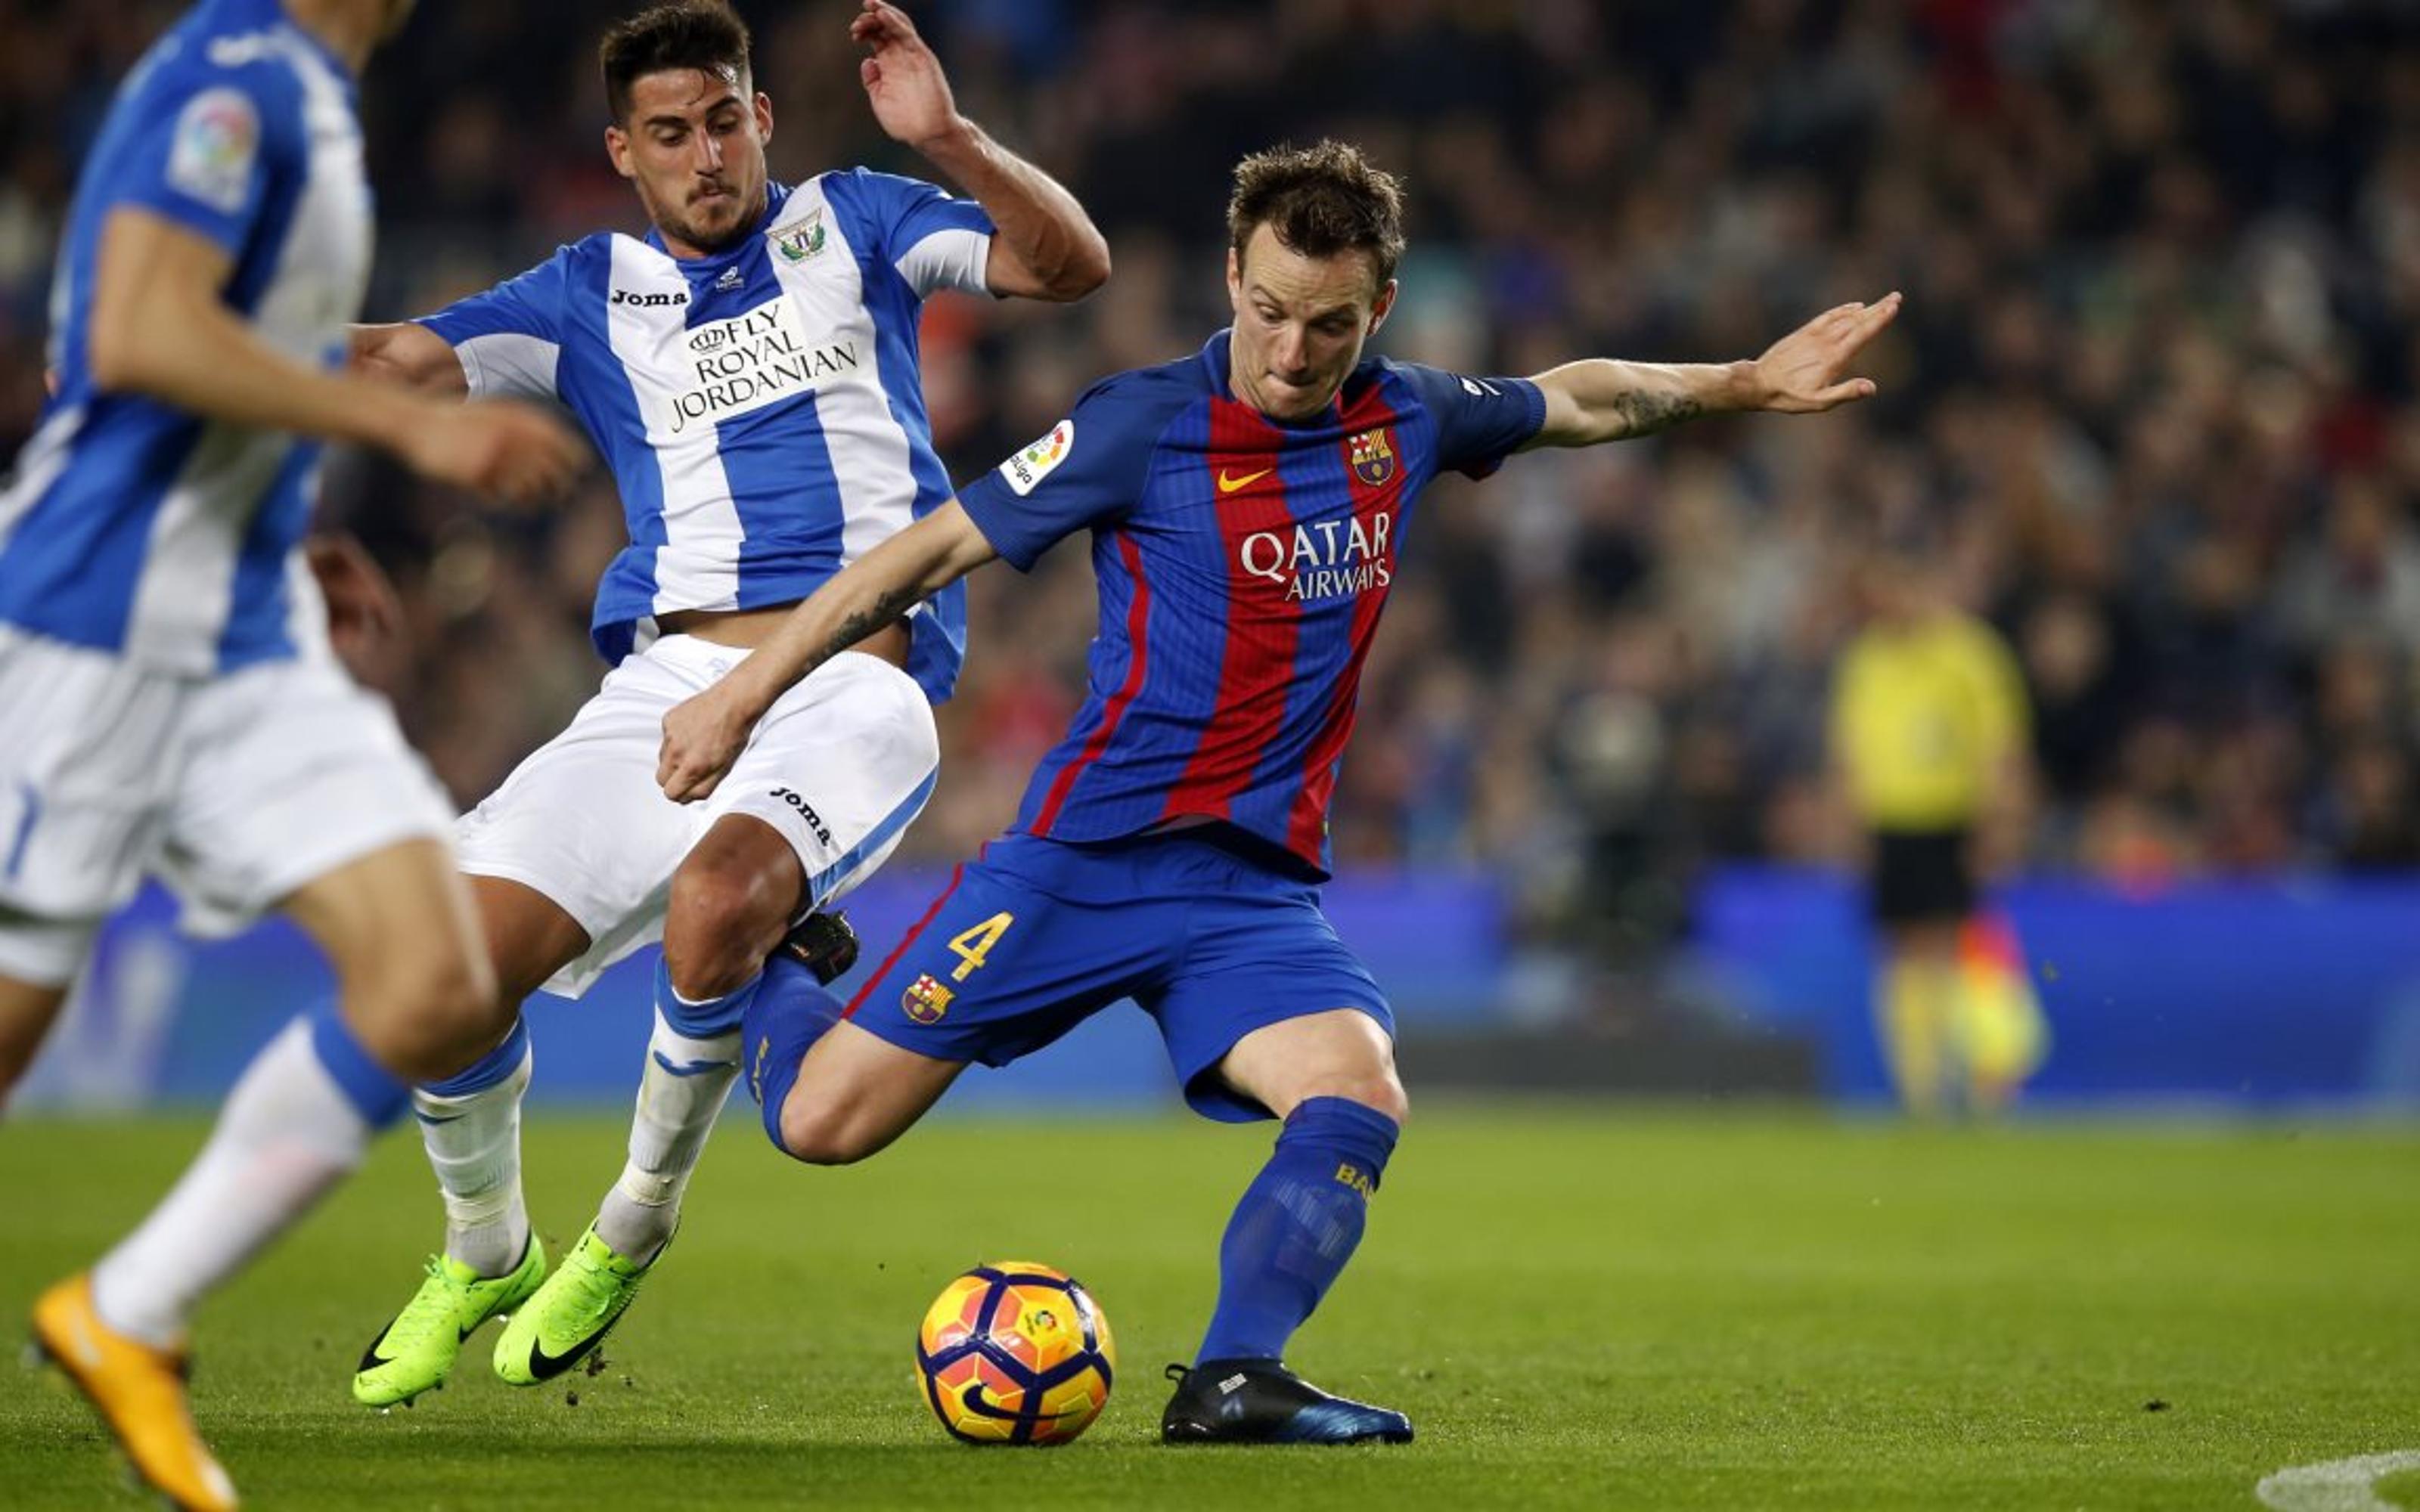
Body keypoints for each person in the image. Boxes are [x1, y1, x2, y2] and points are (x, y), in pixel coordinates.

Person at [652, 140, 1899, 1444]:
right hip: (1082, 863)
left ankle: (1234, 1377)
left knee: (1356, 1092)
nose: (1294, 354)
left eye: (1329, 325)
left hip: (1246, 892)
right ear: (1230, 275)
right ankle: (782, 954)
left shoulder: (1407, 414)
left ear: (1381, 312)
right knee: (819, 1126)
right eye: (1268, 313)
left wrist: (1744, 382)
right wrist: (746, 692)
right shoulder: (1142, 424)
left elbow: (1574, 400)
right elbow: (926, 552)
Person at [342, 0, 1107, 1406]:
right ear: (625, 154)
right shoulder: (589, 290)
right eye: (671, 134)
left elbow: (1068, 264)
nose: (707, 156)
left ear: (763, 118)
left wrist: (948, 137)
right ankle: (487, 1243)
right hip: (668, 680)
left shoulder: (854, 218)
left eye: (724, 121)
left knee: (718, 902)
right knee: (431, 975)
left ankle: (632, 1219)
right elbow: (395, 361)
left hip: (857, 679)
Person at [0, 0, 587, 1503]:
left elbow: (196, 355)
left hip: (244, 635)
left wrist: (277, 529)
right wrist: (408, 437)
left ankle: (126, 1313)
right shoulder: (232, 79)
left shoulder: (318, 101)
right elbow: (132, 334)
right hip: (99, 626)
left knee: (440, 975)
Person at [1830, 544, 2043, 1114]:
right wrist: (1850, 823)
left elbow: (2003, 745)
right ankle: (1921, 1091)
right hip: (1891, 822)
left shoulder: (1970, 652)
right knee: (1901, 948)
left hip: (1955, 818)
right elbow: (1850, 751)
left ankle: (1985, 1081)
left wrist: (2001, 820)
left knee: (1960, 945)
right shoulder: (1868, 657)